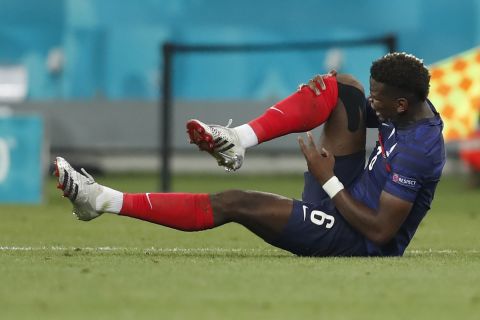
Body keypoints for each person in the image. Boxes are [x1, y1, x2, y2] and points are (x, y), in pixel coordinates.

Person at [55, 52, 445, 257]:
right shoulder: (402, 109)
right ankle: (238, 139)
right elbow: (352, 101)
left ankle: (101, 200)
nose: (373, 103)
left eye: (379, 98)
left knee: (237, 203)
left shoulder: (420, 150)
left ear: (401, 103)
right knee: (342, 86)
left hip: (358, 238)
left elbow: (380, 231)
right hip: (347, 194)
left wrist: (327, 179)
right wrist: (319, 94)